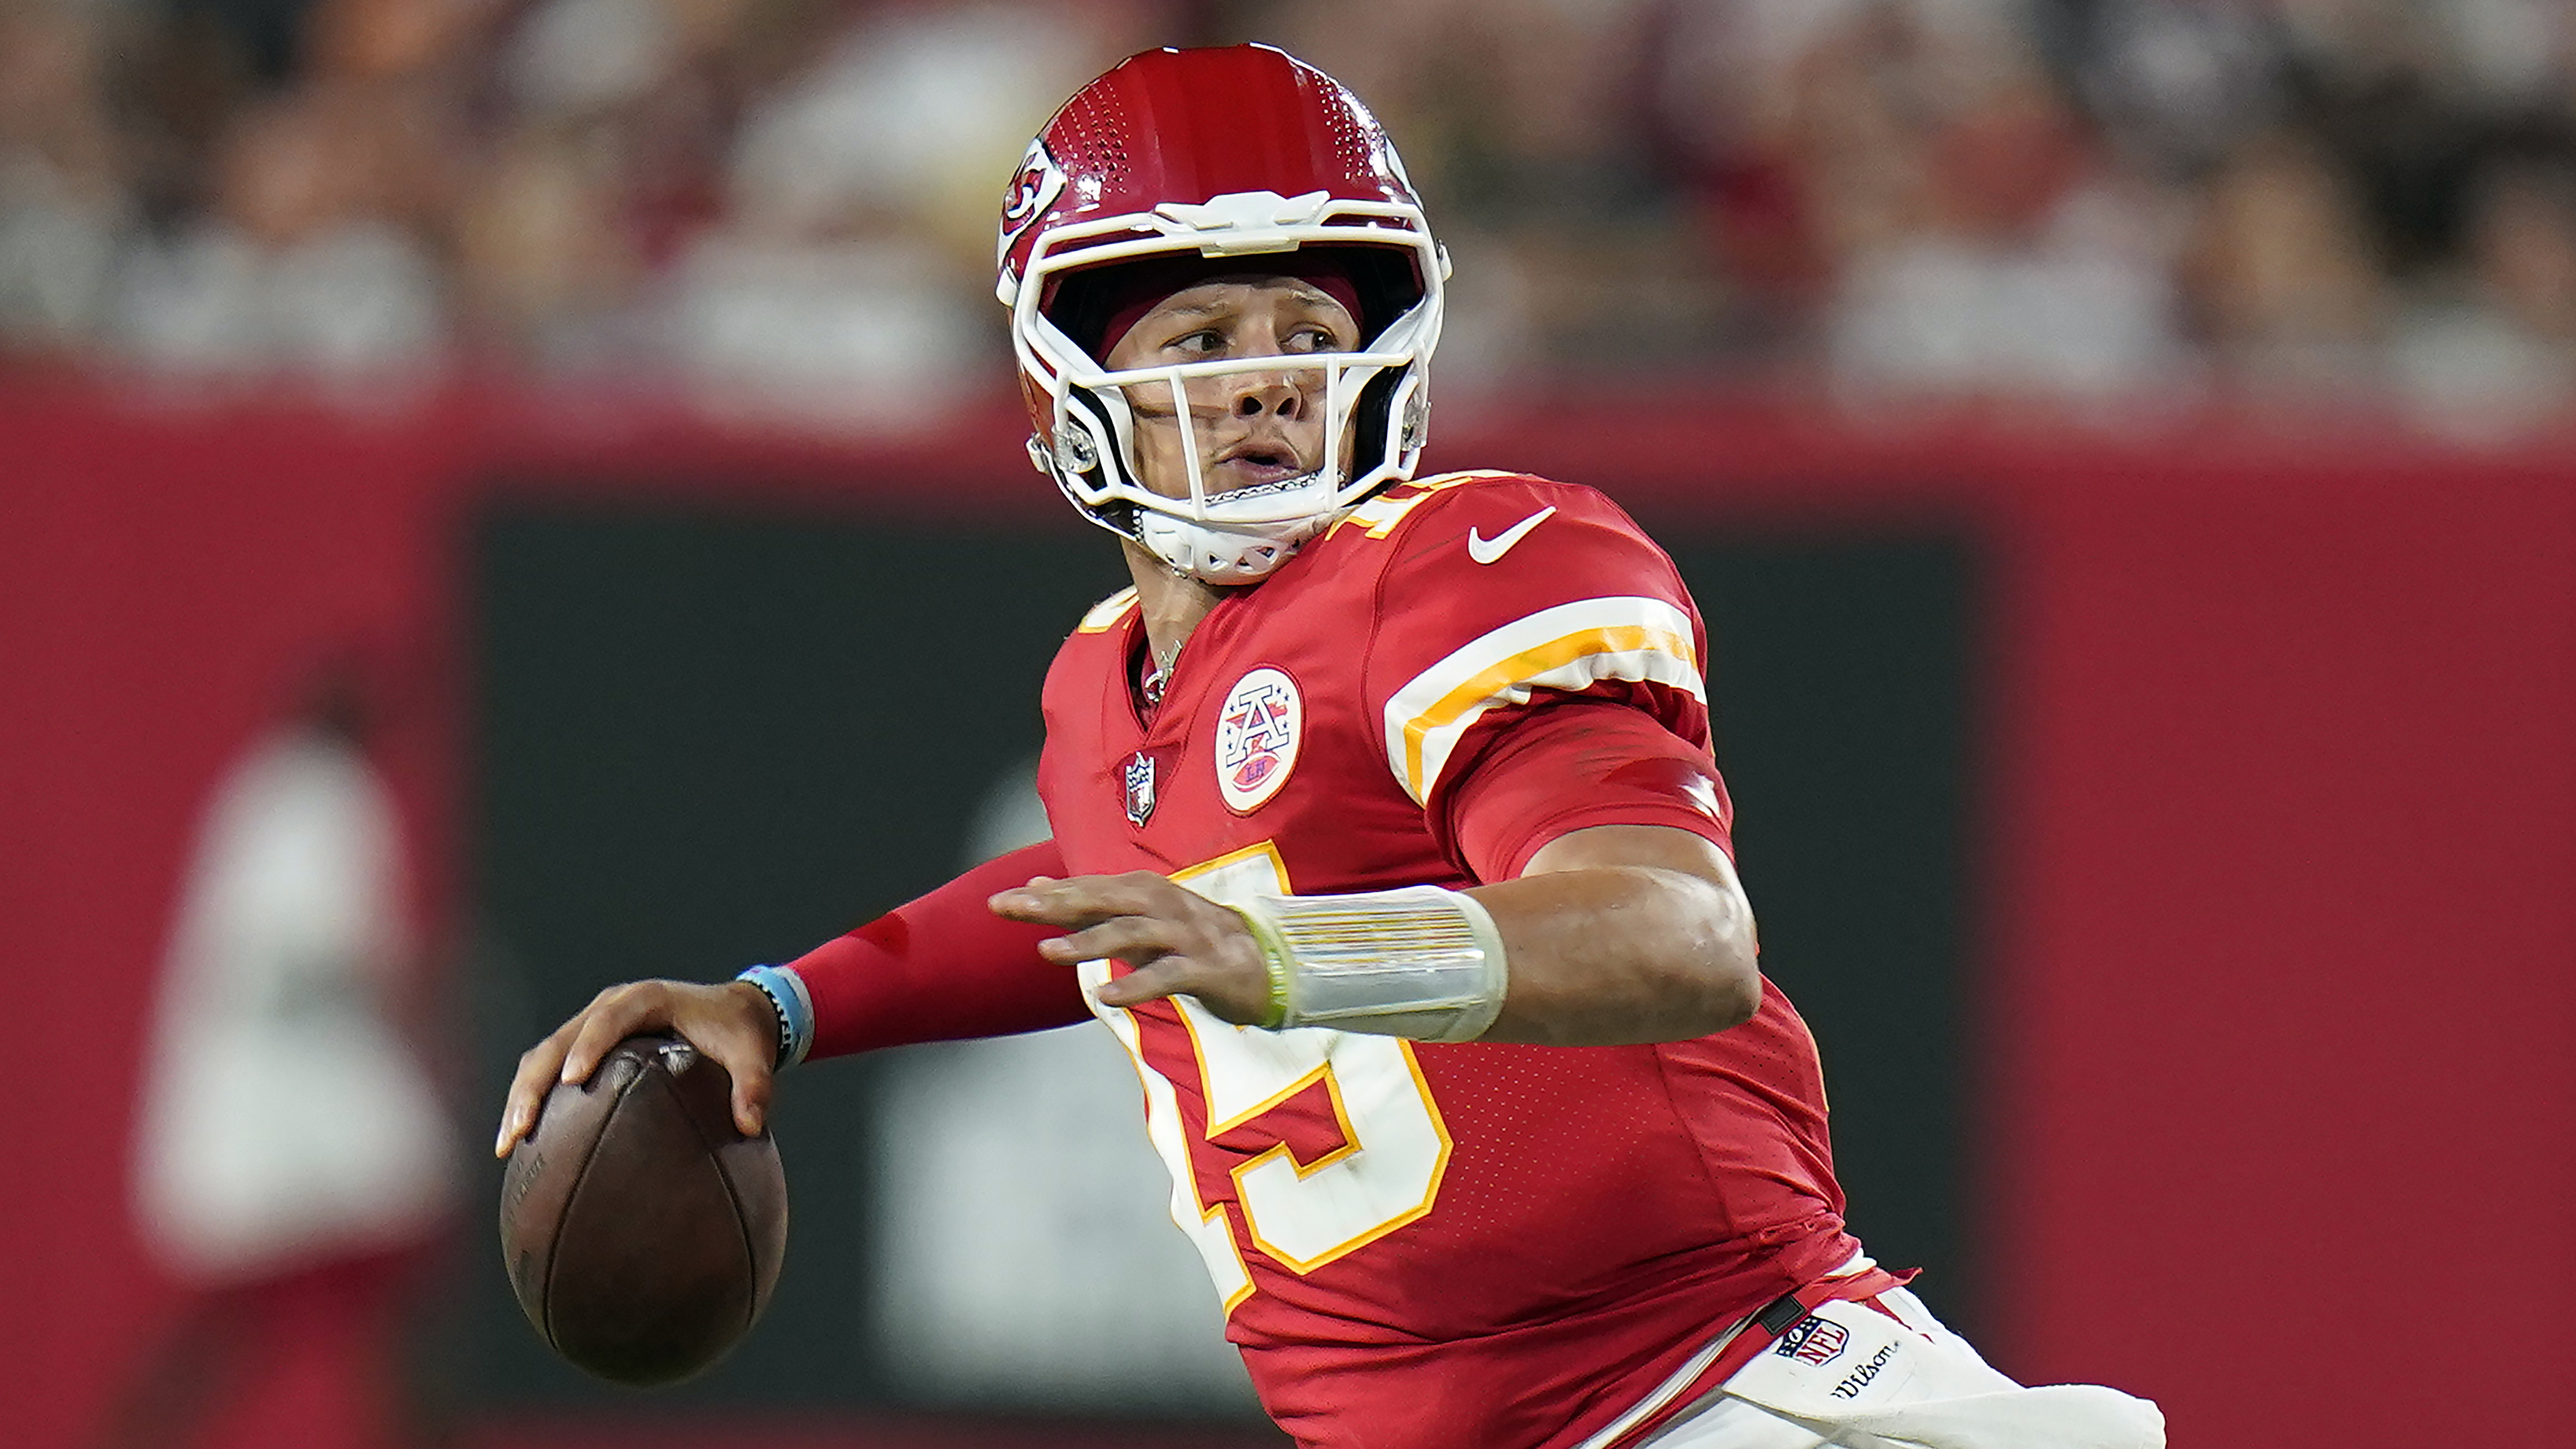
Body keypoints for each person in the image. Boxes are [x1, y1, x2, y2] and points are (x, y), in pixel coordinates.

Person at [495, 43, 2164, 1449]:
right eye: (1200, 346)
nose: (1265, 385)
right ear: (1062, 385)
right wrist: (783, 1004)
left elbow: (1679, 931)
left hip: (1706, 1396)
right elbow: (1107, 881)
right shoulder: (1107, 681)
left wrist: (1288, 954)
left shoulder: (1468, 567)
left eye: (1300, 328)